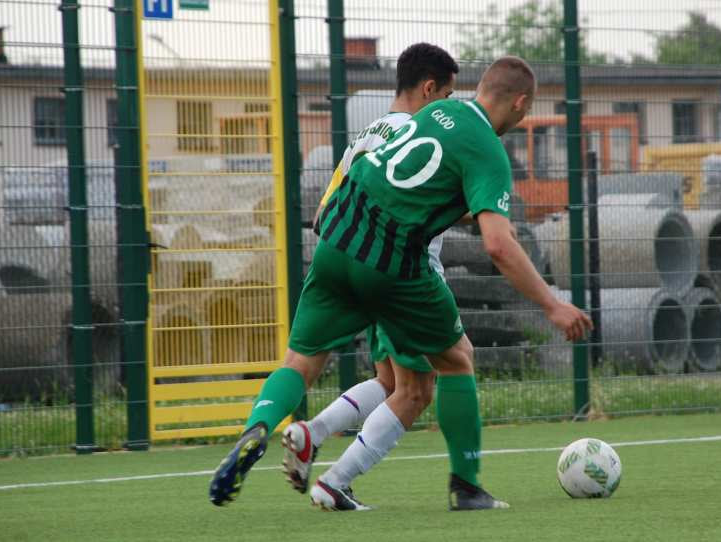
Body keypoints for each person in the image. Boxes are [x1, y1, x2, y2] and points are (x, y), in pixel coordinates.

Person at [208, 55, 592, 511]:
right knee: (453, 362)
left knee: (302, 363)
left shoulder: (430, 115)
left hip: (336, 238)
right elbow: (498, 245)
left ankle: (259, 427)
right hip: (391, 260)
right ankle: (465, 487)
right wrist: (552, 305)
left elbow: (415, 181)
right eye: (527, 111)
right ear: (521, 102)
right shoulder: (488, 149)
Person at [282, 42, 502, 510]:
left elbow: (330, 203)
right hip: (405, 271)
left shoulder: (370, 130)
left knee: (388, 381)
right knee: (418, 388)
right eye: (446, 93)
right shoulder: (420, 128)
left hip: (355, 257)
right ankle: (337, 481)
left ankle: (312, 432)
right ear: (428, 89)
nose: (449, 104)